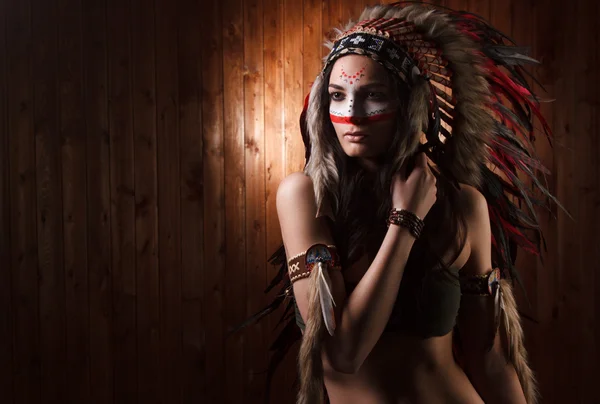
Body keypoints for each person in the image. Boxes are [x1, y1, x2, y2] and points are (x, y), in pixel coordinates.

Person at [231, 3, 560, 403]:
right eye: (338, 95)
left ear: (410, 105)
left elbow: (489, 358)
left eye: (373, 95)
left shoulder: (462, 205)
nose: (351, 114)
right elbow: (343, 355)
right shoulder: (308, 198)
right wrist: (405, 223)